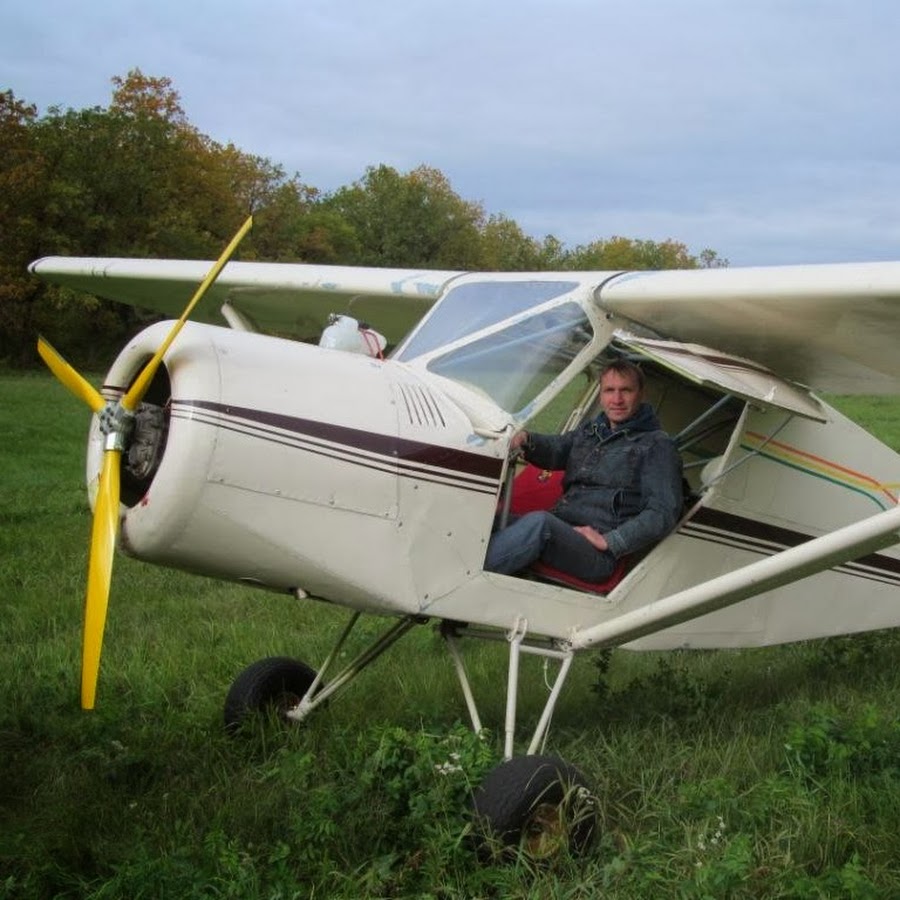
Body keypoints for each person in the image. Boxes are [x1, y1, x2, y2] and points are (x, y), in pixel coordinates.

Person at [484, 359, 683, 581]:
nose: (616, 399)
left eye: (625, 390)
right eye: (610, 390)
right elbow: (558, 450)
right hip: (561, 526)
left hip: (596, 554)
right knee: (483, 518)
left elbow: (663, 512)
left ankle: (456, 582)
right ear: (601, 394)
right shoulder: (591, 431)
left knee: (539, 524)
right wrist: (527, 440)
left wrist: (611, 541)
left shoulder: (657, 445)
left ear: (641, 394)